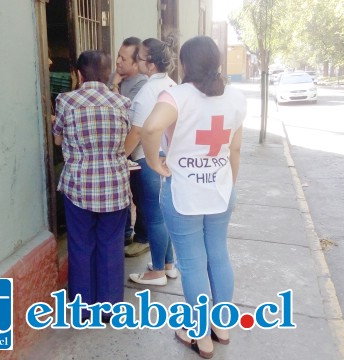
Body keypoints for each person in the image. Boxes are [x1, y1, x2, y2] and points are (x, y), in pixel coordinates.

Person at [141, 36, 246, 358]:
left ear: (185, 64)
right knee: (218, 255)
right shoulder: (236, 98)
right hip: (220, 191)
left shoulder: (176, 96)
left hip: (184, 193)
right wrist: (226, 183)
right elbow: (236, 148)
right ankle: (222, 326)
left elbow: (149, 129)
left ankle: (199, 335)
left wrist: (156, 163)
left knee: (193, 264)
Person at [53, 50, 131, 322]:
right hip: (114, 185)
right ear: (109, 73)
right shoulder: (122, 103)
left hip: (79, 186)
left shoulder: (66, 101)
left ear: (78, 73)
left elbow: (58, 141)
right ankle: (109, 308)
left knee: (80, 245)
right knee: (111, 245)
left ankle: (83, 310)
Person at [126, 38, 177, 286]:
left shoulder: (148, 91)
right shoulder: (171, 85)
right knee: (164, 215)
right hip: (169, 158)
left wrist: (118, 155)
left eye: (140, 57)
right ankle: (168, 264)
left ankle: (157, 271)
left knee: (154, 217)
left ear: (151, 64)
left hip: (150, 159)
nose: (137, 61)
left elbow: (137, 132)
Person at [108, 37, 150, 257]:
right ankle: (125, 234)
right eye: (118, 56)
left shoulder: (142, 85)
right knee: (122, 193)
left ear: (136, 63)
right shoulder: (115, 79)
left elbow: (121, 112)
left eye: (123, 58)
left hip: (136, 150)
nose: (118, 61)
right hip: (116, 147)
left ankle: (143, 238)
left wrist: (114, 85)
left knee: (140, 195)